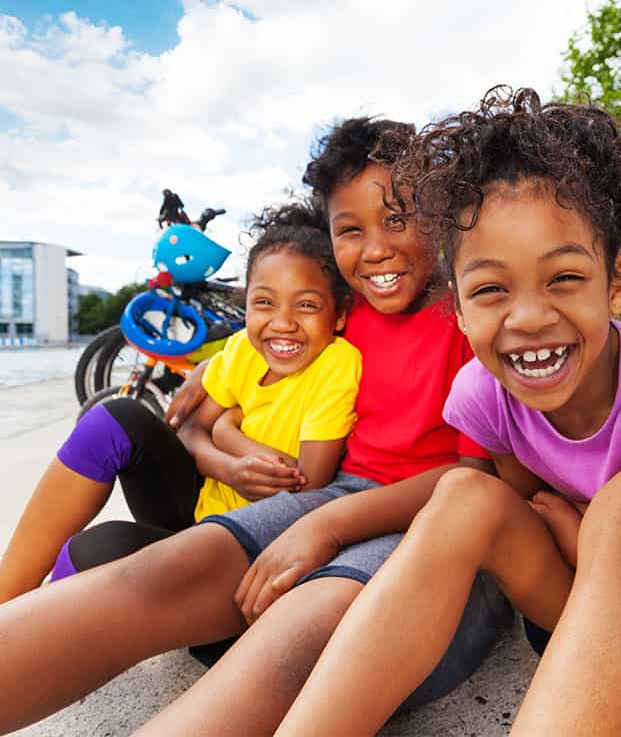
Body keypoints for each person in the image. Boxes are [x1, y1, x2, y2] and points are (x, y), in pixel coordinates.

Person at [272, 86, 621, 737]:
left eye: (564, 279)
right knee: (465, 493)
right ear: (459, 307)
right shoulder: (481, 395)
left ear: (615, 282)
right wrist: (579, 536)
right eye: (492, 288)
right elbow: (529, 506)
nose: (527, 317)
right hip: (576, 609)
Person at [0, 118, 512, 736]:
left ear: (441, 214)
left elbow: (473, 481)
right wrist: (213, 372)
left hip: (437, 527)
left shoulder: (469, 318)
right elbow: (269, 338)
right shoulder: (346, 313)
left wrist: (327, 525)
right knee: (163, 572)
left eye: (398, 218)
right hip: (334, 496)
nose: (375, 248)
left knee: (300, 633)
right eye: (351, 229)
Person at [0, 200, 359, 603]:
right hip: (202, 511)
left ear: (339, 314)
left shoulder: (336, 364)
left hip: (248, 546)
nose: (283, 322)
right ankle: (6, 599)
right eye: (264, 302)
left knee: (92, 550)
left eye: (306, 305)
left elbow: (305, 481)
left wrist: (227, 432)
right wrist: (228, 466)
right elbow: (189, 430)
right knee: (112, 419)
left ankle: (26, 628)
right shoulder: (244, 350)